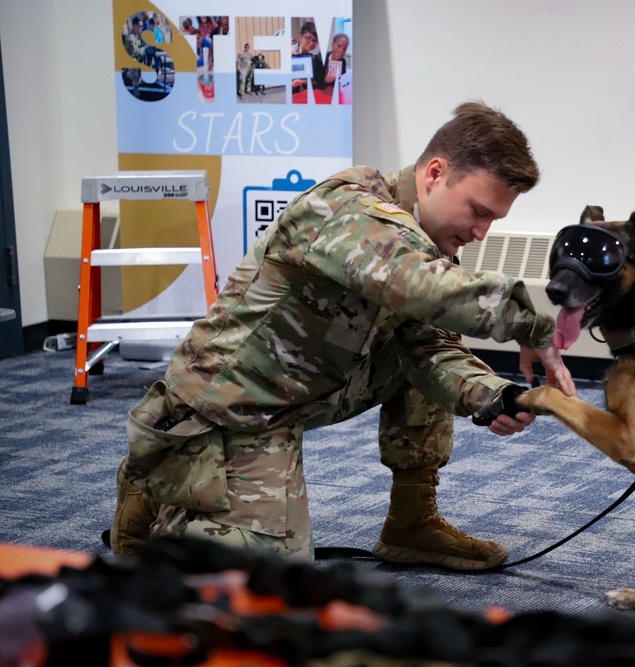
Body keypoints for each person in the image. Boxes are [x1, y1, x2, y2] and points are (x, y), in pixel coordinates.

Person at [111, 101, 576, 571]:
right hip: (235, 408)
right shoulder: (346, 208)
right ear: (435, 173)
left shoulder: (423, 241)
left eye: (493, 218)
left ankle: (412, 522)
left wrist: (494, 395)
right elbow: (424, 288)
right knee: (265, 586)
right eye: (478, 211)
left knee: (416, 360)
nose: (481, 231)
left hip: (309, 386)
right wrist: (530, 324)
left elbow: (429, 345)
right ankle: (159, 478)